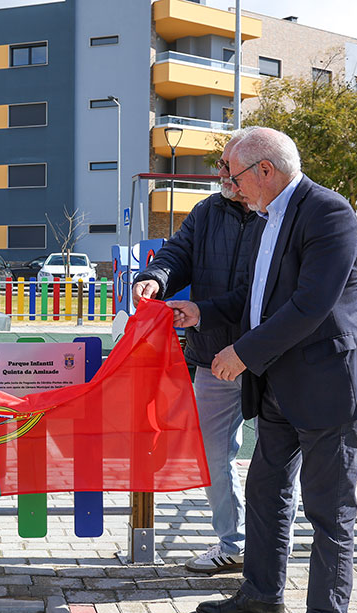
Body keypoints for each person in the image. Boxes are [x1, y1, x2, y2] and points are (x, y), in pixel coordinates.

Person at [168, 127, 357, 613]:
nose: (229, 183)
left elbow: (309, 305)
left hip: (326, 385)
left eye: (234, 172)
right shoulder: (269, 216)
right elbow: (257, 295)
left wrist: (242, 353)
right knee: (266, 490)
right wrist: (204, 312)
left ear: (265, 170)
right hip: (279, 385)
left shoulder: (329, 213)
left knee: (329, 508)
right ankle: (262, 596)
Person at [132, 129, 259, 574]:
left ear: (258, 169)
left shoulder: (280, 217)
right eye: (221, 165)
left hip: (268, 355)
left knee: (279, 460)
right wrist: (155, 278)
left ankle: (270, 548)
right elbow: (177, 253)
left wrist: (204, 312)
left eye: (228, 166)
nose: (221, 173)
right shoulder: (207, 211)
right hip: (212, 356)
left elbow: (262, 293)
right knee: (212, 455)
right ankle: (234, 543)